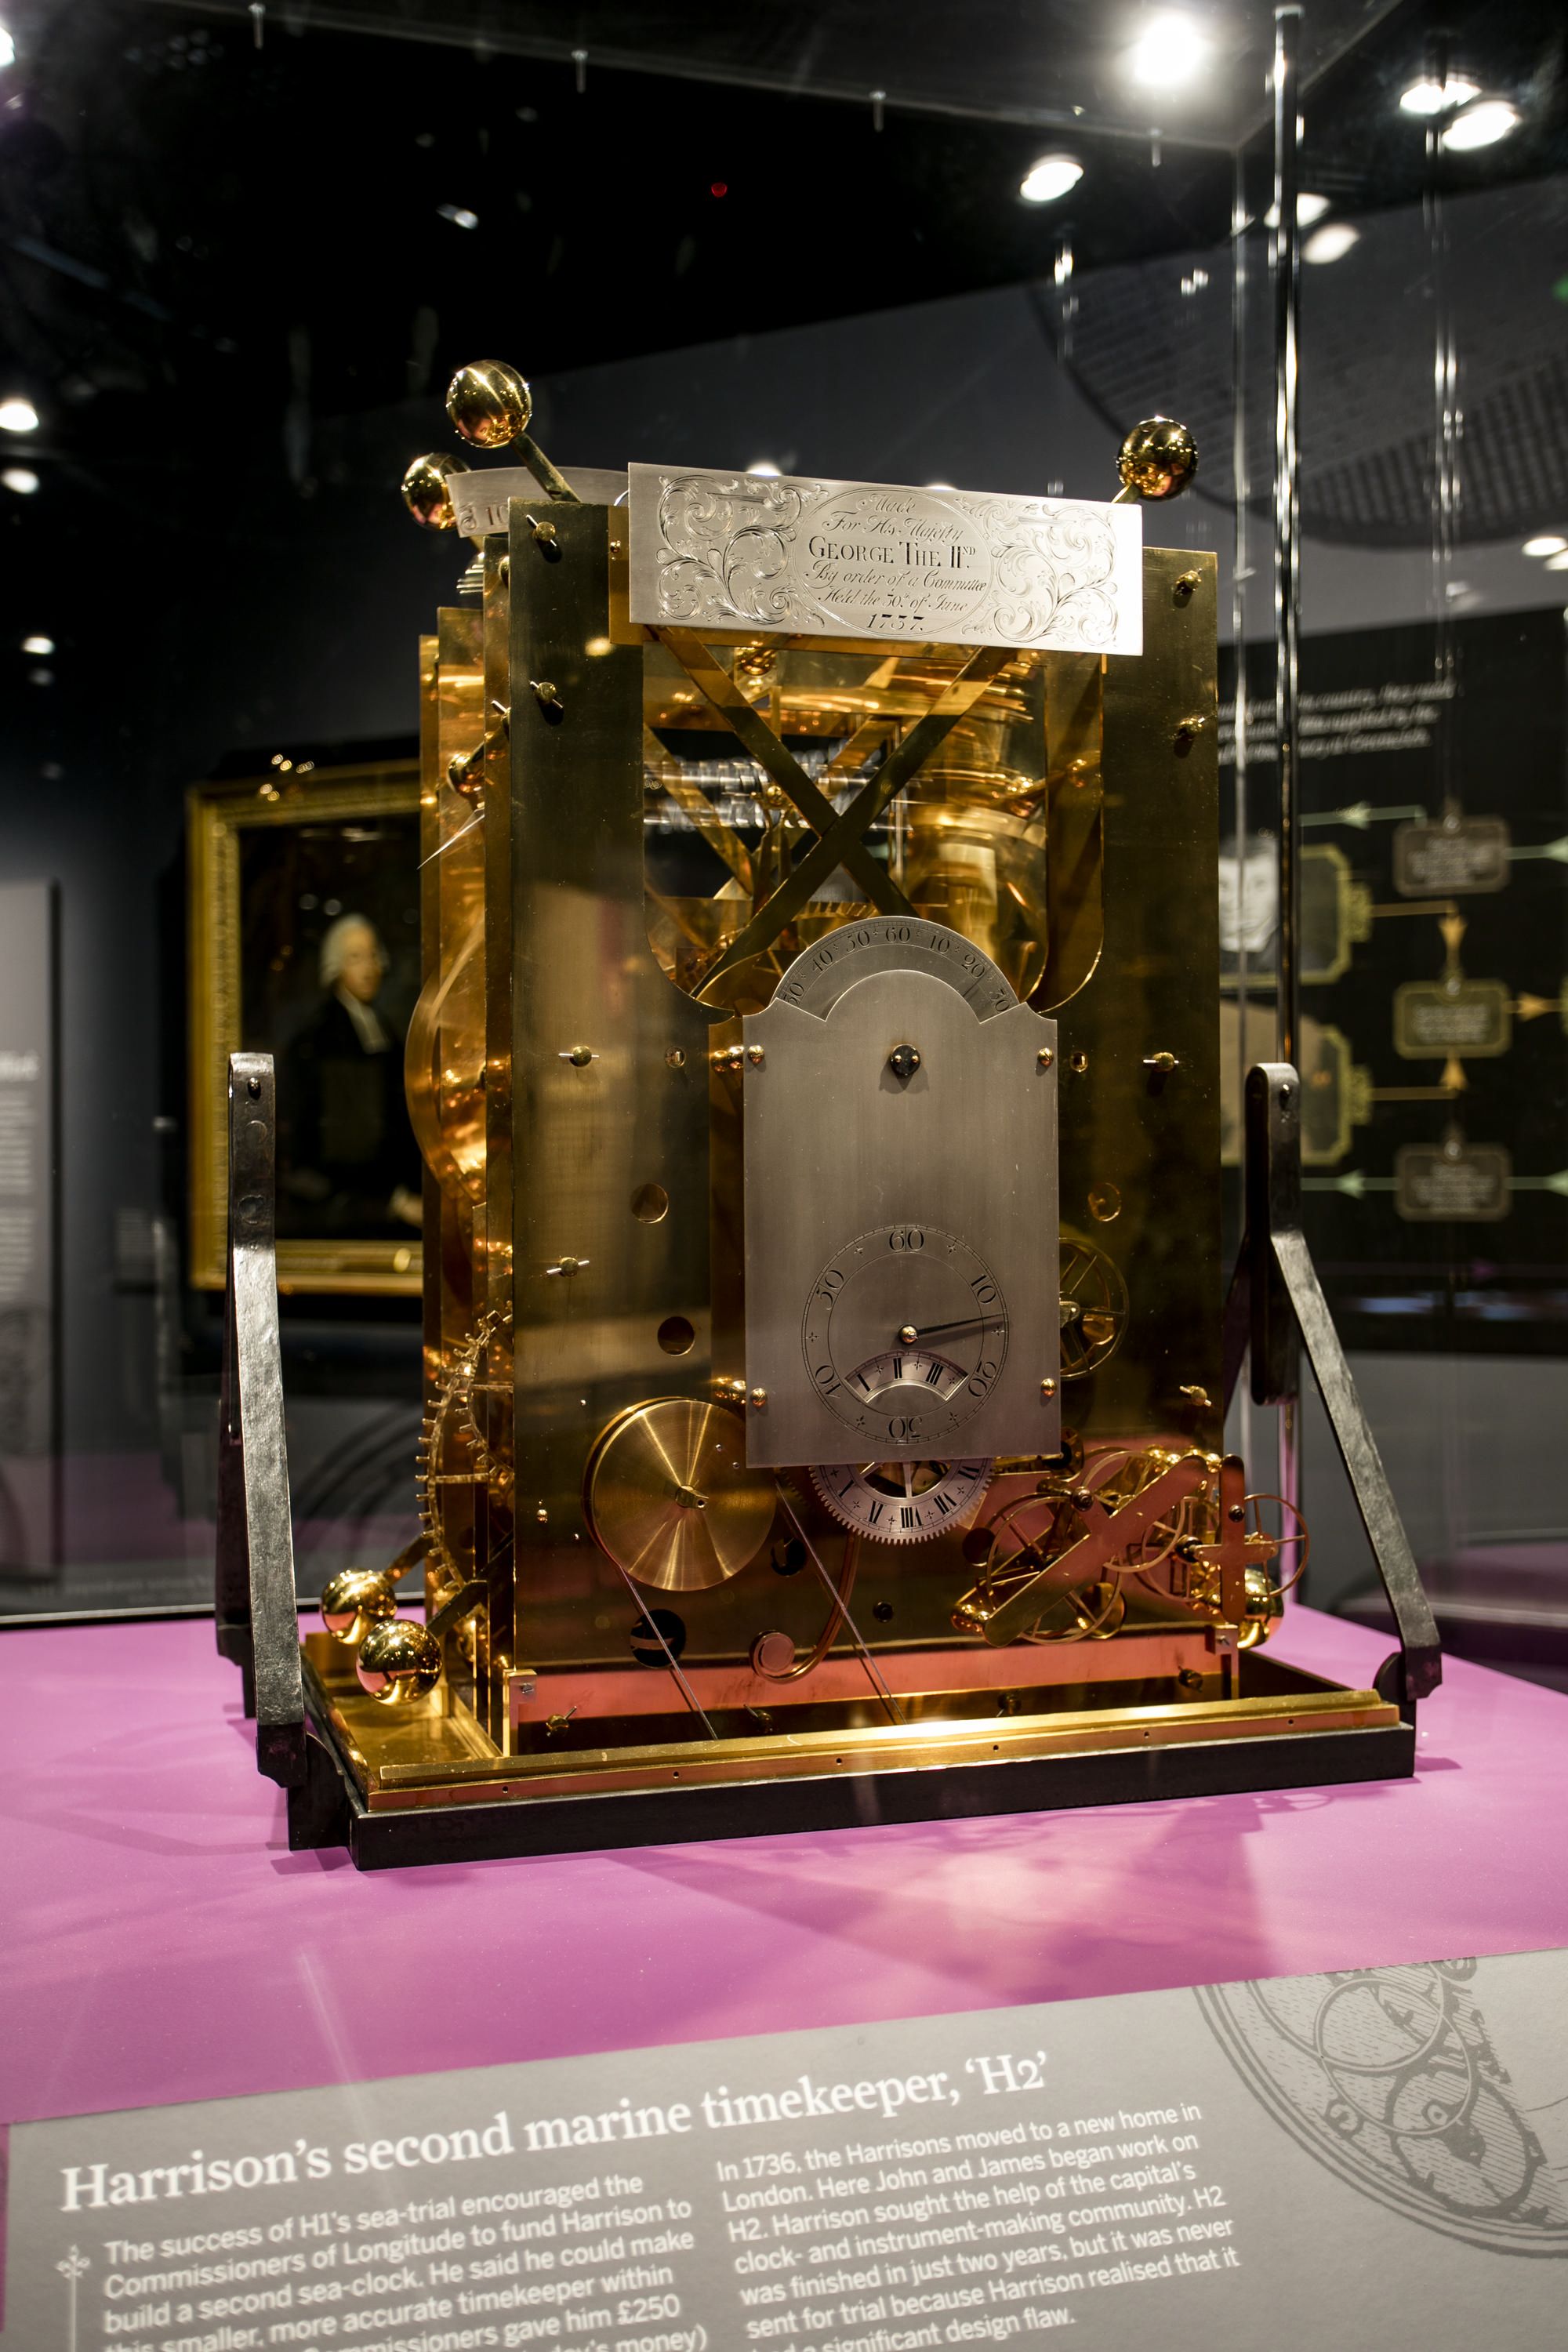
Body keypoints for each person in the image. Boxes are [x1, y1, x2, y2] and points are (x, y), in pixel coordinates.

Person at [277, 913, 423, 1237]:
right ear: (336, 966)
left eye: (372, 955)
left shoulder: (380, 1025)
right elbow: (347, 1137)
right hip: (351, 1203)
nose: (368, 967)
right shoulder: (325, 1036)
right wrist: (393, 1200)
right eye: (356, 958)